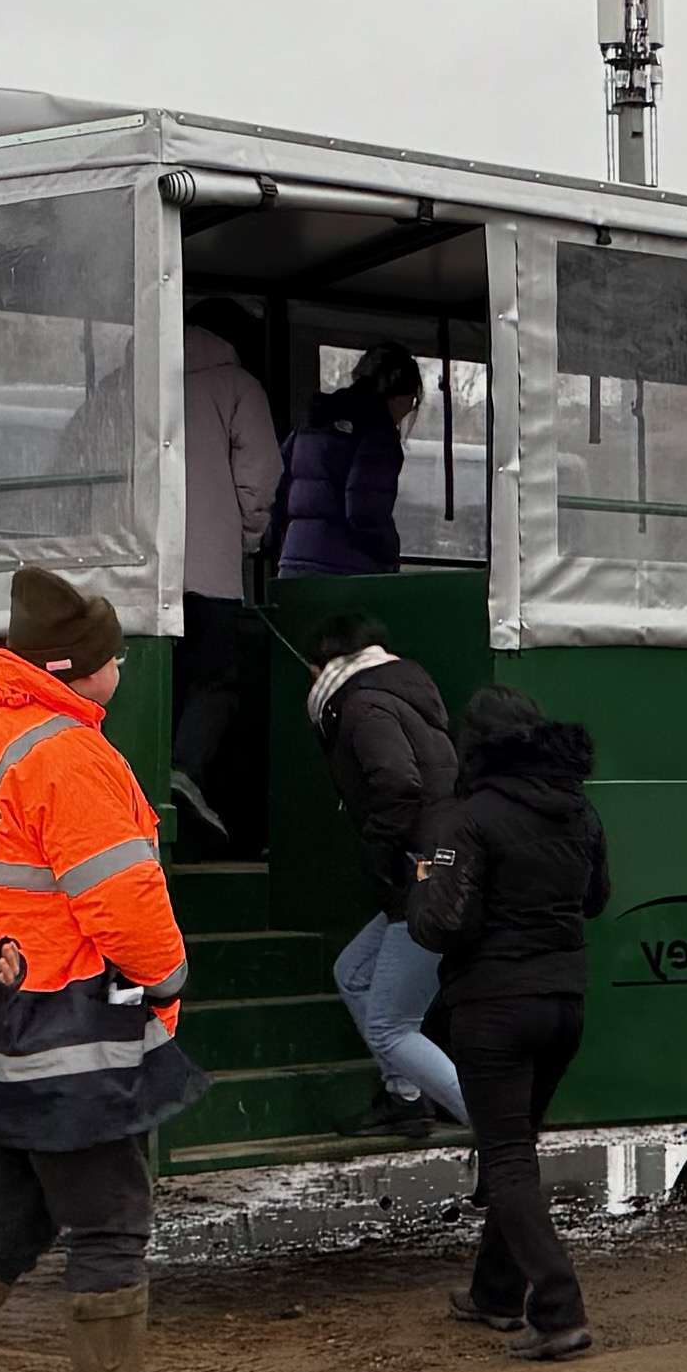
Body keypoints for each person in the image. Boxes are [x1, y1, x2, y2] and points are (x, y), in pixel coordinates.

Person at [0, 566, 236, 1372]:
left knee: (9, 1220)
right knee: (109, 1224)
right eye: (114, 657)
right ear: (79, 667)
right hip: (71, 1037)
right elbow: (123, 900)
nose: (123, 670)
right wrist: (170, 980)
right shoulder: (71, 756)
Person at [420, 687, 609, 1358]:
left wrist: (418, 881)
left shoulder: (467, 818)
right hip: (564, 1002)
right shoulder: (577, 809)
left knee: (507, 1157)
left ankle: (559, 1309)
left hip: (493, 1005)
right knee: (517, 1147)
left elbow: (442, 923)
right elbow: (596, 899)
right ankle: (496, 1293)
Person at [304, 625, 465, 1136]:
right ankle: (405, 1097)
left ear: (325, 664)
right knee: (352, 973)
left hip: (422, 875)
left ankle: (499, 1130)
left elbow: (398, 784)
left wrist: (380, 849)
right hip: (434, 870)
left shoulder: (363, 706)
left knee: (391, 1026)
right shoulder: (402, 694)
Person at [176, 316, 284, 842]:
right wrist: (242, 537)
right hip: (212, 573)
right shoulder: (239, 386)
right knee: (215, 681)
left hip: (138, 571)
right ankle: (186, 773)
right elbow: (261, 471)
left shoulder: (129, 381)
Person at [278, 342, 426, 576]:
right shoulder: (378, 431)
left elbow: (277, 481)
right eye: (413, 402)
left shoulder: (312, 419)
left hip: (293, 563)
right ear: (400, 395)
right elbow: (365, 509)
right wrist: (388, 553)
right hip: (346, 568)